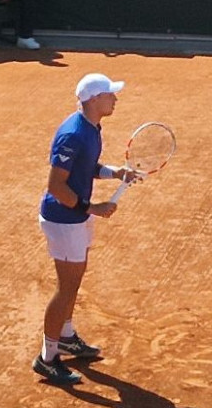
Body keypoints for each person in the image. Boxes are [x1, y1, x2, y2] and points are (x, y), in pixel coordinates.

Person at [34, 73, 139, 385]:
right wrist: (91, 208)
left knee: (74, 282)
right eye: (110, 94)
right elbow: (56, 186)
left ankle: (66, 337)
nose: (115, 99)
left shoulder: (91, 127)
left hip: (75, 218)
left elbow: (86, 166)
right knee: (66, 288)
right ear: (94, 99)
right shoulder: (73, 135)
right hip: (63, 221)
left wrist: (114, 173)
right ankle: (47, 358)